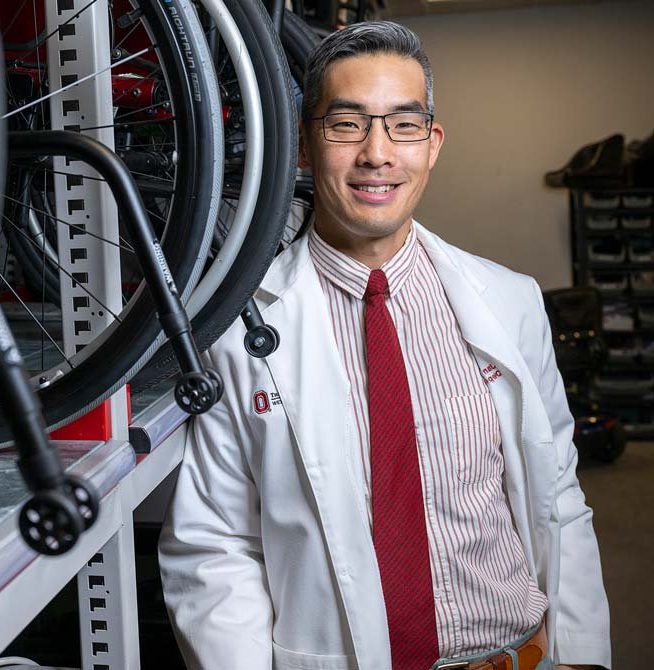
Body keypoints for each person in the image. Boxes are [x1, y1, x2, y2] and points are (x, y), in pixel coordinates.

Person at [158, 21, 610, 670]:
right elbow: (214, 546)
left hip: (520, 656)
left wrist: (585, 655)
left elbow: (558, 496)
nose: (377, 153)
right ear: (306, 147)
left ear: (432, 143)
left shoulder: (510, 302)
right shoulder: (236, 332)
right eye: (346, 124)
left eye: (403, 124)